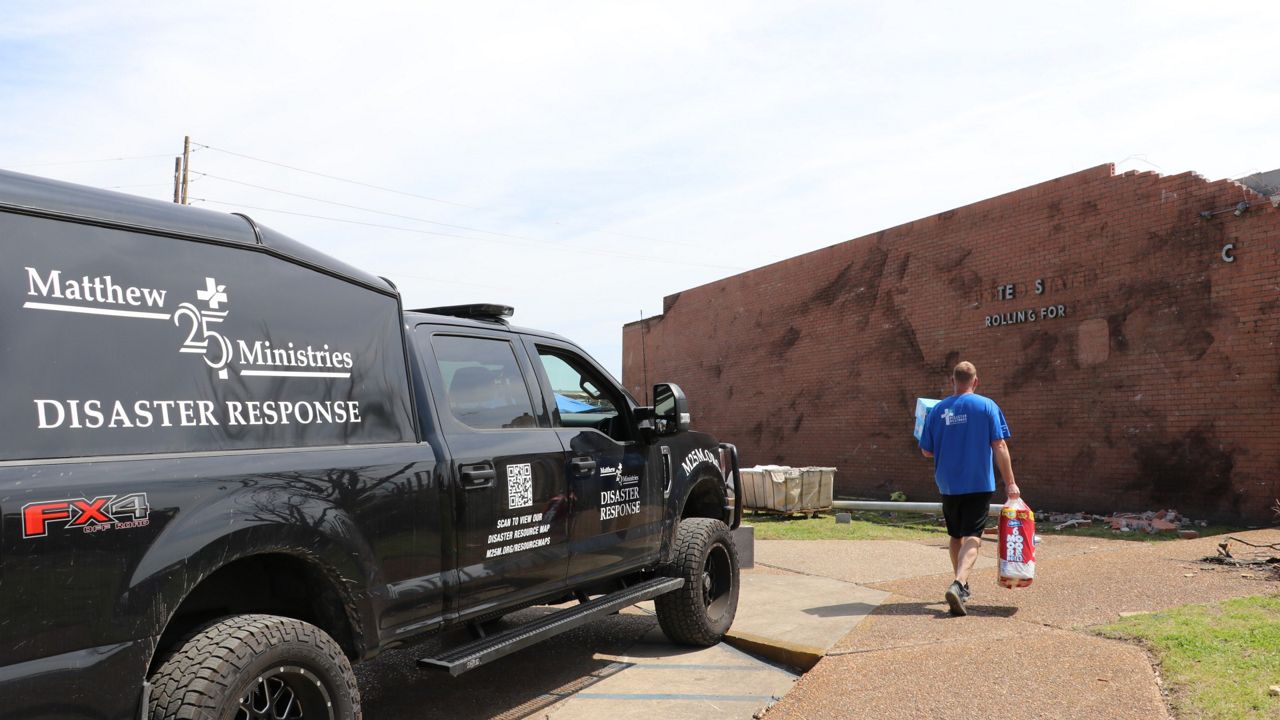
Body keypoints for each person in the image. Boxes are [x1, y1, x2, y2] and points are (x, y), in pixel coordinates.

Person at [918, 361, 1020, 616]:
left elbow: (926, 451)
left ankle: (960, 585)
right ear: (976, 381)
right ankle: (959, 583)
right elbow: (1000, 446)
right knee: (974, 535)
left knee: (955, 535)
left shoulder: (937, 410)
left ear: (952, 380)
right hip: (977, 481)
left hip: (948, 483)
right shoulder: (986, 406)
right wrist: (1010, 483)